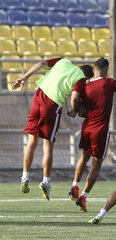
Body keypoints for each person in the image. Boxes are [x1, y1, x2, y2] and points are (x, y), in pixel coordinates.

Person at [12, 58, 94, 201]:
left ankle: (25, 176)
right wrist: (74, 110)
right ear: (86, 77)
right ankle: (46, 181)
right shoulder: (80, 79)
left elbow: (40, 64)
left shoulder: (63, 61)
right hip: (52, 105)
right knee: (48, 145)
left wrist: (24, 77)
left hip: (37, 97)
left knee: (31, 140)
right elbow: (74, 97)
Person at [67, 58, 116, 213]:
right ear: (106, 70)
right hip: (100, 130)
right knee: (96, 165)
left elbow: (81, 111)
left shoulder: (86, 86)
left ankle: (74, 185)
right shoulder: (110, 83)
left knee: (83, 158)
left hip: (86, 128)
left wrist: (76, 110)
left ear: (95, 70)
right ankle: (83, 196)